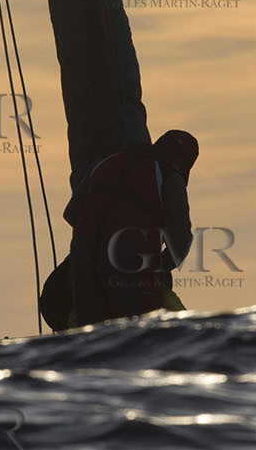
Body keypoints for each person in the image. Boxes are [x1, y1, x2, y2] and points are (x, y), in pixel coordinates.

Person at [38, 130, 200, 330]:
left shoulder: (106, 162)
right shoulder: (169, 177)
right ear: (182, 162)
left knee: (91, 334)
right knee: (144, 335)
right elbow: (181, 241)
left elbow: (71, 214)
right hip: (130, 264)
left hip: (82, 261)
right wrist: (160, 268)